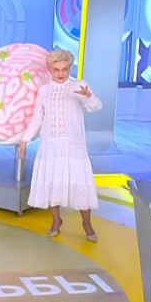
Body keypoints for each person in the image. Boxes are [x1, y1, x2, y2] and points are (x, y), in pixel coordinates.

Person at [15, 48, 102, 240]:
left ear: (70, 68)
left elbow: (96, 107)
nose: (61, 73)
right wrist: (25, 139)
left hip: (74, 145)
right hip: (50, 145)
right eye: (56, 69)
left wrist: (88, 96)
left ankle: (87, 223)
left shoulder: (79, 86)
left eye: (65, 69)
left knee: (80, 183)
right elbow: (37, 118)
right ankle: (56, 221)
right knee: (53, 183)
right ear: (49, 69)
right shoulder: (44, 91)